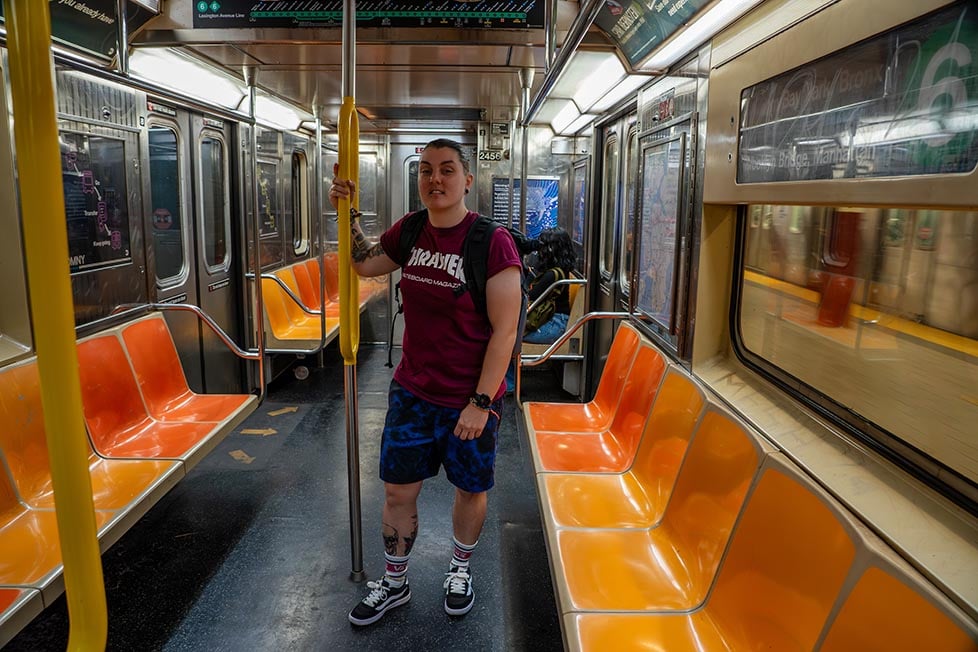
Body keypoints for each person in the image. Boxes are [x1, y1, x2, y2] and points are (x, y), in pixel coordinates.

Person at [328, 138, 523, 626]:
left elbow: (505, 332)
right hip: (413, 392)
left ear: (467, 180)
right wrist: (346, 211)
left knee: (468, 490)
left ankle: (459, 569)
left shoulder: (490, 242)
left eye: (447, 170)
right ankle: (394, 582)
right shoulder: (411, 231)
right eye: (426, 171)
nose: (435, 179)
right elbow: (364, 262)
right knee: (397, 493)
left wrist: (480, 402)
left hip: (469, 399)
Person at [504, 227, 576, 391]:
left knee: (505, 335)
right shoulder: (559, 270)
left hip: (555, 325)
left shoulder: (552, 275)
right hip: (551, 320)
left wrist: (533, 269)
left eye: (543, 247)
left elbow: (526, 295)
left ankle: (509, 385)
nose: (539, 250)